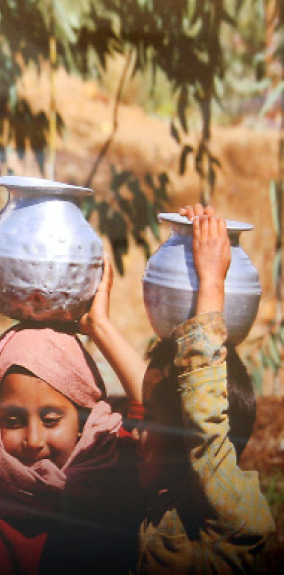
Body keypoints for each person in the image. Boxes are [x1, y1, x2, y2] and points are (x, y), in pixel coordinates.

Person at [0, 219, 148, 574]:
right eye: (13, 421)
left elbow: (161, 419)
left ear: (83, 418)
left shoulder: (112, 469)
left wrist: (101, 327)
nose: (34, 441)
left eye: (51, 420)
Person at [135, 205, 275, 574]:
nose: (134, 433)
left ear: (187, 436)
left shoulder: (230, 517)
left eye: (147, 419)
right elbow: (166, 394)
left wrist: (212, 280)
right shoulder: (168, 502)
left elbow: (203, 419)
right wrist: (99, 326)